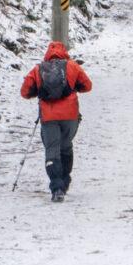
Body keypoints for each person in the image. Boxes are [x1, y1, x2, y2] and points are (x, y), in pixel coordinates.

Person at [20, 41, 92, 202]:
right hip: (70, 115)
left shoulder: (38, 69)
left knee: (52, 150)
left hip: (49, 116)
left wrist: (39, 92)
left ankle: (57, 186)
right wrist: (73, 88)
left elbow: (25, 92)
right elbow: (88, 86)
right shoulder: (73, 67)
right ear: (64, 52)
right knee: (66, 147)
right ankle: (64, 181)